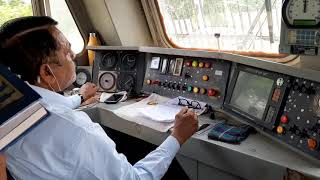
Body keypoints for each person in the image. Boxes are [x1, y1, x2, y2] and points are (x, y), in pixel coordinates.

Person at [0, 16, 198, 180]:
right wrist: (177, 136)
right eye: (68, 53)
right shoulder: (77, 130)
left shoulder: (13, 111)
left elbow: (50, 106)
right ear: (47, 72)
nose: (75, 56)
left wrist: (79, 97)